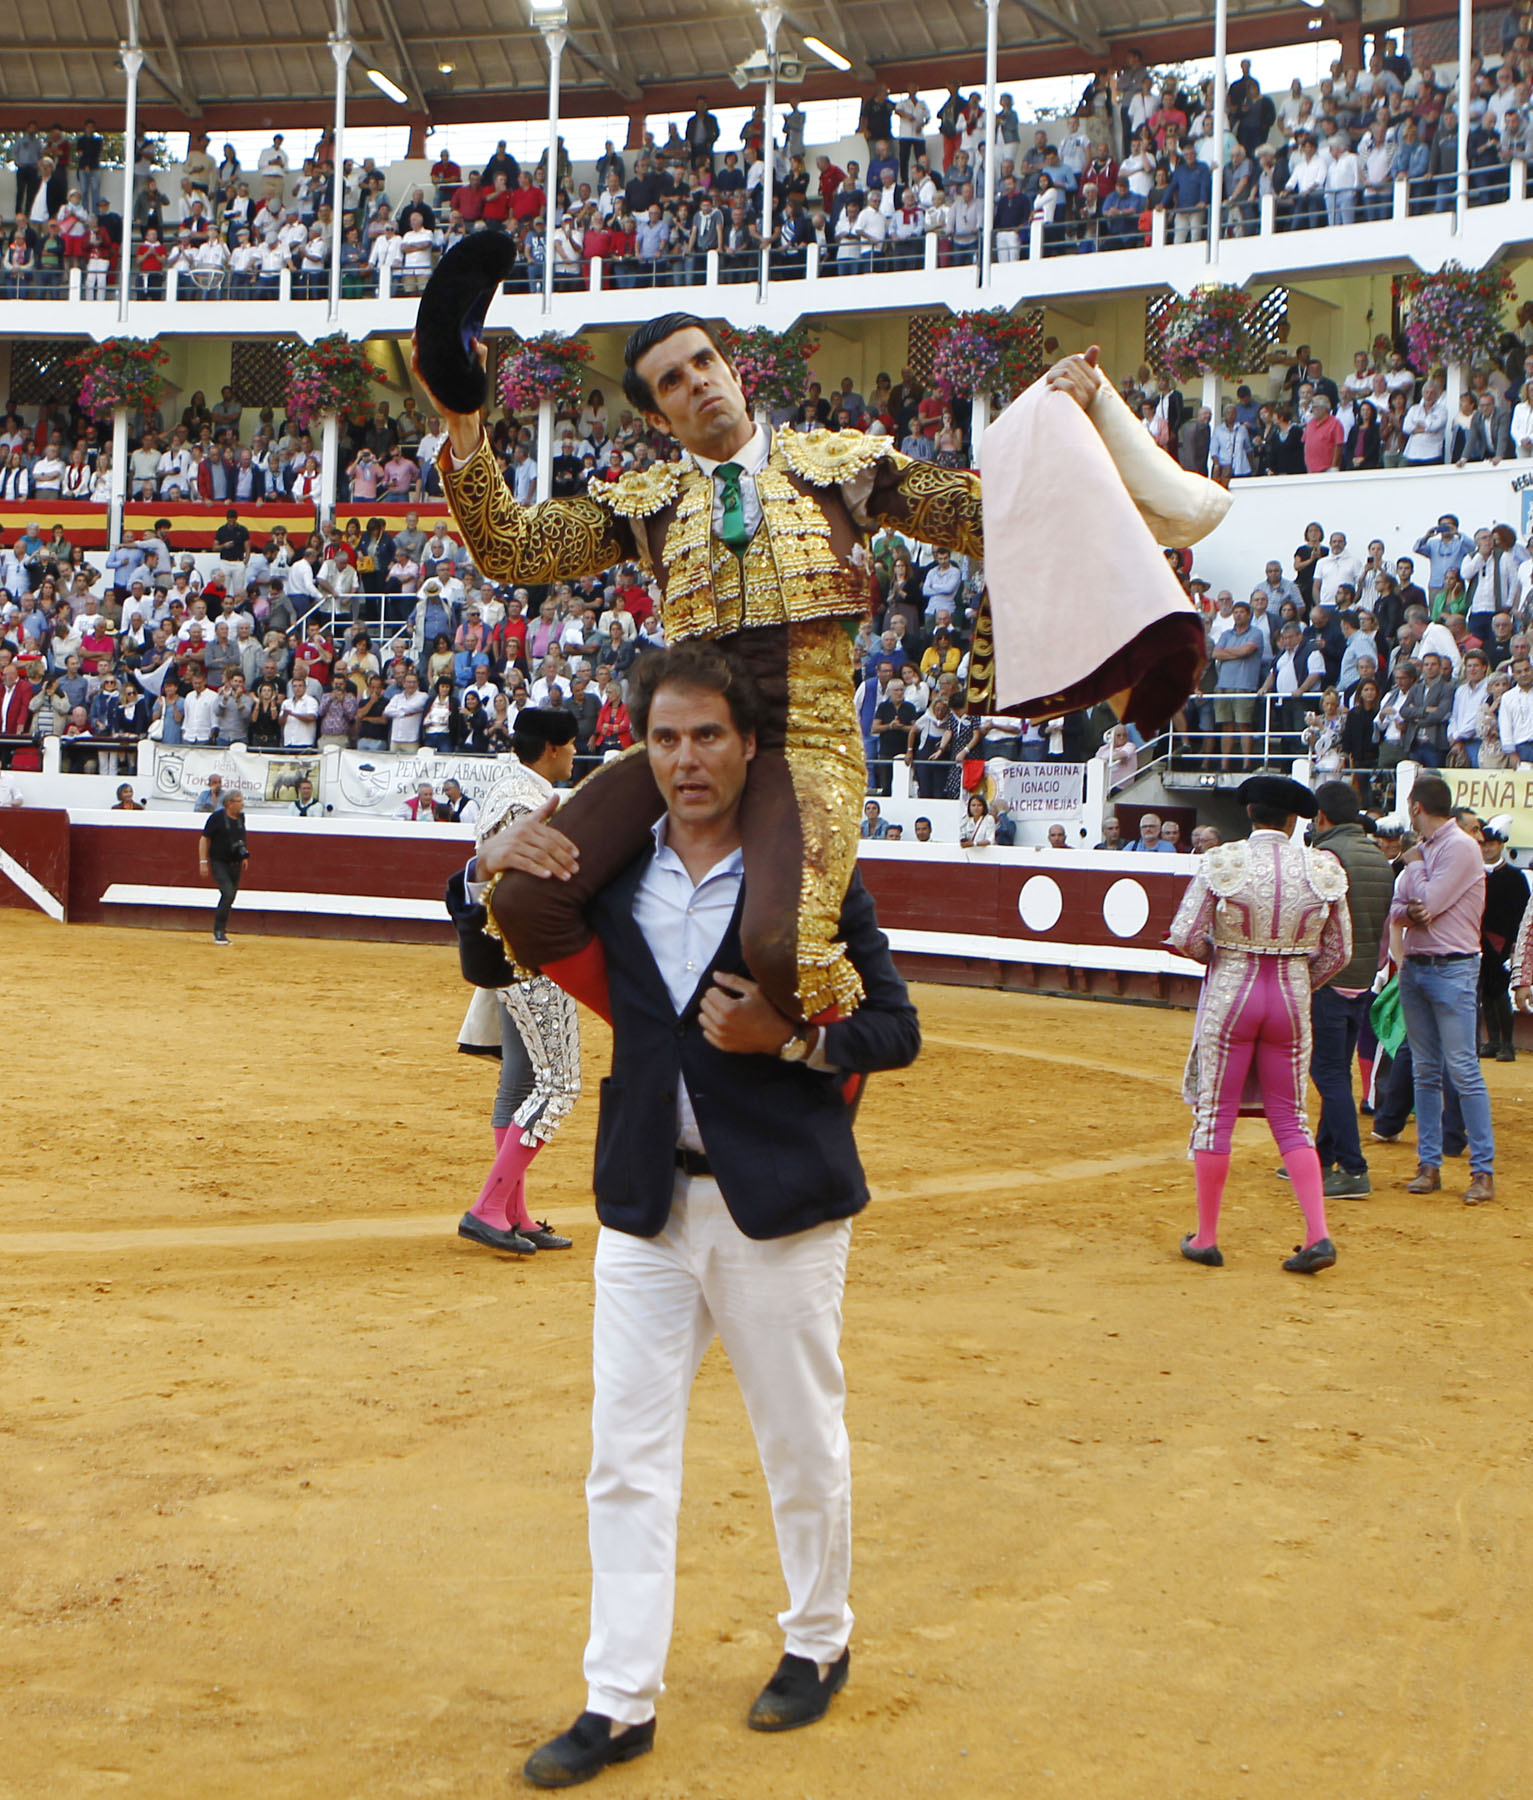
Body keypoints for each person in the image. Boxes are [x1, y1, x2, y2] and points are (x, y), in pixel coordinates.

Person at [417, 307, 1215, 1025]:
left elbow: (991, 518)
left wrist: (1061, 426)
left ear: (732, 370)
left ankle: (823, 1067)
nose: (696, 384)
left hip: (810, 745)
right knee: (523, 901)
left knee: (784, 946)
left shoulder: (840, 466)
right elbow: (512, 548)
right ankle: (662, 1038)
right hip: (687, 746)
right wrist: (462, 426)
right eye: (672, 381)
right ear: (657, 413)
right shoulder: (644, 504)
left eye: (704, 363)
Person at [477, 645, 921, 1789]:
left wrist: (799, 1036)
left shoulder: (815, 885)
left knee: (799, 1447)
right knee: (623, 1460)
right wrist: (490, 850)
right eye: (664, 739)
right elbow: (491, 926)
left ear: (749, 745)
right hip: (647, 1202)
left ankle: (818, 1640)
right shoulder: (614, 877)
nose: (686, 761)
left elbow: (897, 1030)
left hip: (779, 1204)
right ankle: (619, 1700)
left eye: (708, 737)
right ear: (642, 749)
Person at [1168, 776, 1351, 1274]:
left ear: (1250, 812)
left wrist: (1218, 957)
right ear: (1294, 821)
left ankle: (1206, 1237)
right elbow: (1340, 952)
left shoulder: (1222, 862)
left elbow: (1185, 934)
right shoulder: (1322, 866)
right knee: (1291, 1118)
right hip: (1291, 996)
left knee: (1216, 1114)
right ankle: (1318, 1235)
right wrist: (1298, 979)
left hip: (1233, 992)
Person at [448, 709, 582, 1258]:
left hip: (507, 955)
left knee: (522, 1081)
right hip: (534, 957)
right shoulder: (530, 802)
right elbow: (533, 887)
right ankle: (488, 1207)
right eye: (571, 746)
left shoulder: (505, 786)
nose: (575, 755)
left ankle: (513, 1212)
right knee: (557, 1084)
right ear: (551, 748)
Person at [1389, 773, 1495, 1203]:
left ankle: (1482, 1170)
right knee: (1427, 1071)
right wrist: (1414, 906)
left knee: (1462, 1069)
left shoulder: (1457, 848)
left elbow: (1427, 904)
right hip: (1419, 967)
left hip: (1452, 969)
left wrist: (1414, 868)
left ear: (1416, 807)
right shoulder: (1438, 848)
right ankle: (1429, 1164)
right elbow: (1400, 909)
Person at [1309, 781, 1394, 1198]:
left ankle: (1354, 1167)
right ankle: (1322, 1159)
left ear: (1322, 818)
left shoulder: (1327, 857)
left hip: (1329, 978)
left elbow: (1312, 923)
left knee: (1326, 1072)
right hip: (1361, 979)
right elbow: (1381, 930)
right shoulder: (1379, 857)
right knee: (1336, 1071)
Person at [1476, 813, 1527, 1062]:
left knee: (1499, 992)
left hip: (1502, 942)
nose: (1487, 849)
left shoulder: (1515, 878)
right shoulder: (1475, 873)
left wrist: (1514, 946)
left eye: (1492, 844)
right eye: (1484, 844)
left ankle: (1507, 1043)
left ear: (1501, 845)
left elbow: (1521, 915)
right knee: (1485, 990)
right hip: (1476, 939)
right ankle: (1493, 1039)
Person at [198, 788, 248, 945]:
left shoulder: (241, 817)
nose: (242, 804)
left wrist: (244, 857)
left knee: (231, 895)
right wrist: (203, 861)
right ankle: (218, 932)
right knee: (227, 893)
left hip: (235, 862)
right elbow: (204, 839)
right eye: (239, 801)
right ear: (229, 804)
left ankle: (221, 930)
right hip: (219, 861)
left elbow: (241, 837)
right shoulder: (217, 818)